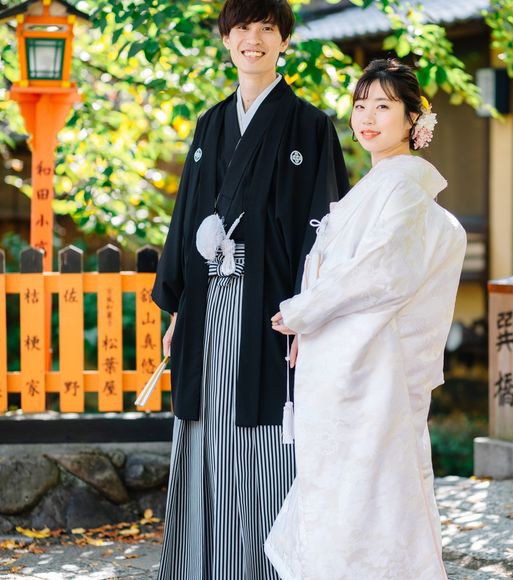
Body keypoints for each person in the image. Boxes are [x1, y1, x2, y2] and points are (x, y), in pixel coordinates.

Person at [150, 0, 349, 578]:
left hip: (272, 310)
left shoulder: (310, 126)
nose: (253, 39)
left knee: (263, 441)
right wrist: (179, 311)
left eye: (266, 28)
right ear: (226, 39)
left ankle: (263, 568)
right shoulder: (210, 124)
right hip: (207, 303)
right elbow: (186, 219)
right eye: (242, 28)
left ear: (284, 40)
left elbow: (324, 228)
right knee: (206, 429)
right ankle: (200, 566)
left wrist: (308, 313)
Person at [266, 58, 466, 580]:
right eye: (360, 105)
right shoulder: (379, 185)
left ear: (413, 119)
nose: (367, 117)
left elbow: (382, 271)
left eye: (383, 106)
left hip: (369, 369)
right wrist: (309, 321)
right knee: (348, 487)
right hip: (346, 363)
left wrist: (302, 311)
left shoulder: (401, 187)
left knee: (368, 489)